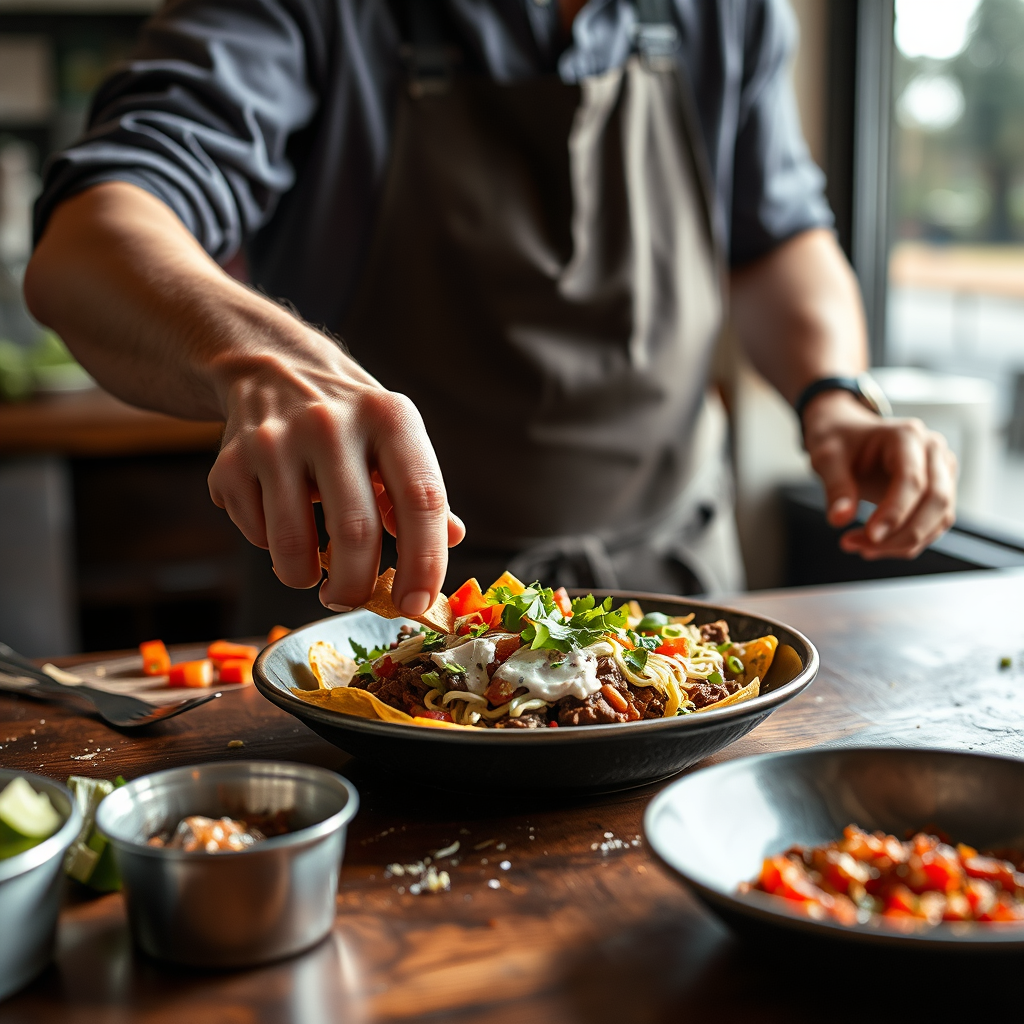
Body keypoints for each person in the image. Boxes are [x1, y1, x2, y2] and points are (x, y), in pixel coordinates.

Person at [24, 0, 957, 620]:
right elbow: (89, 240)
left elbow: (776, 235)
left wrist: (833, 392)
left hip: (670, 593)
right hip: (372, 616)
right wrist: (258, 358)